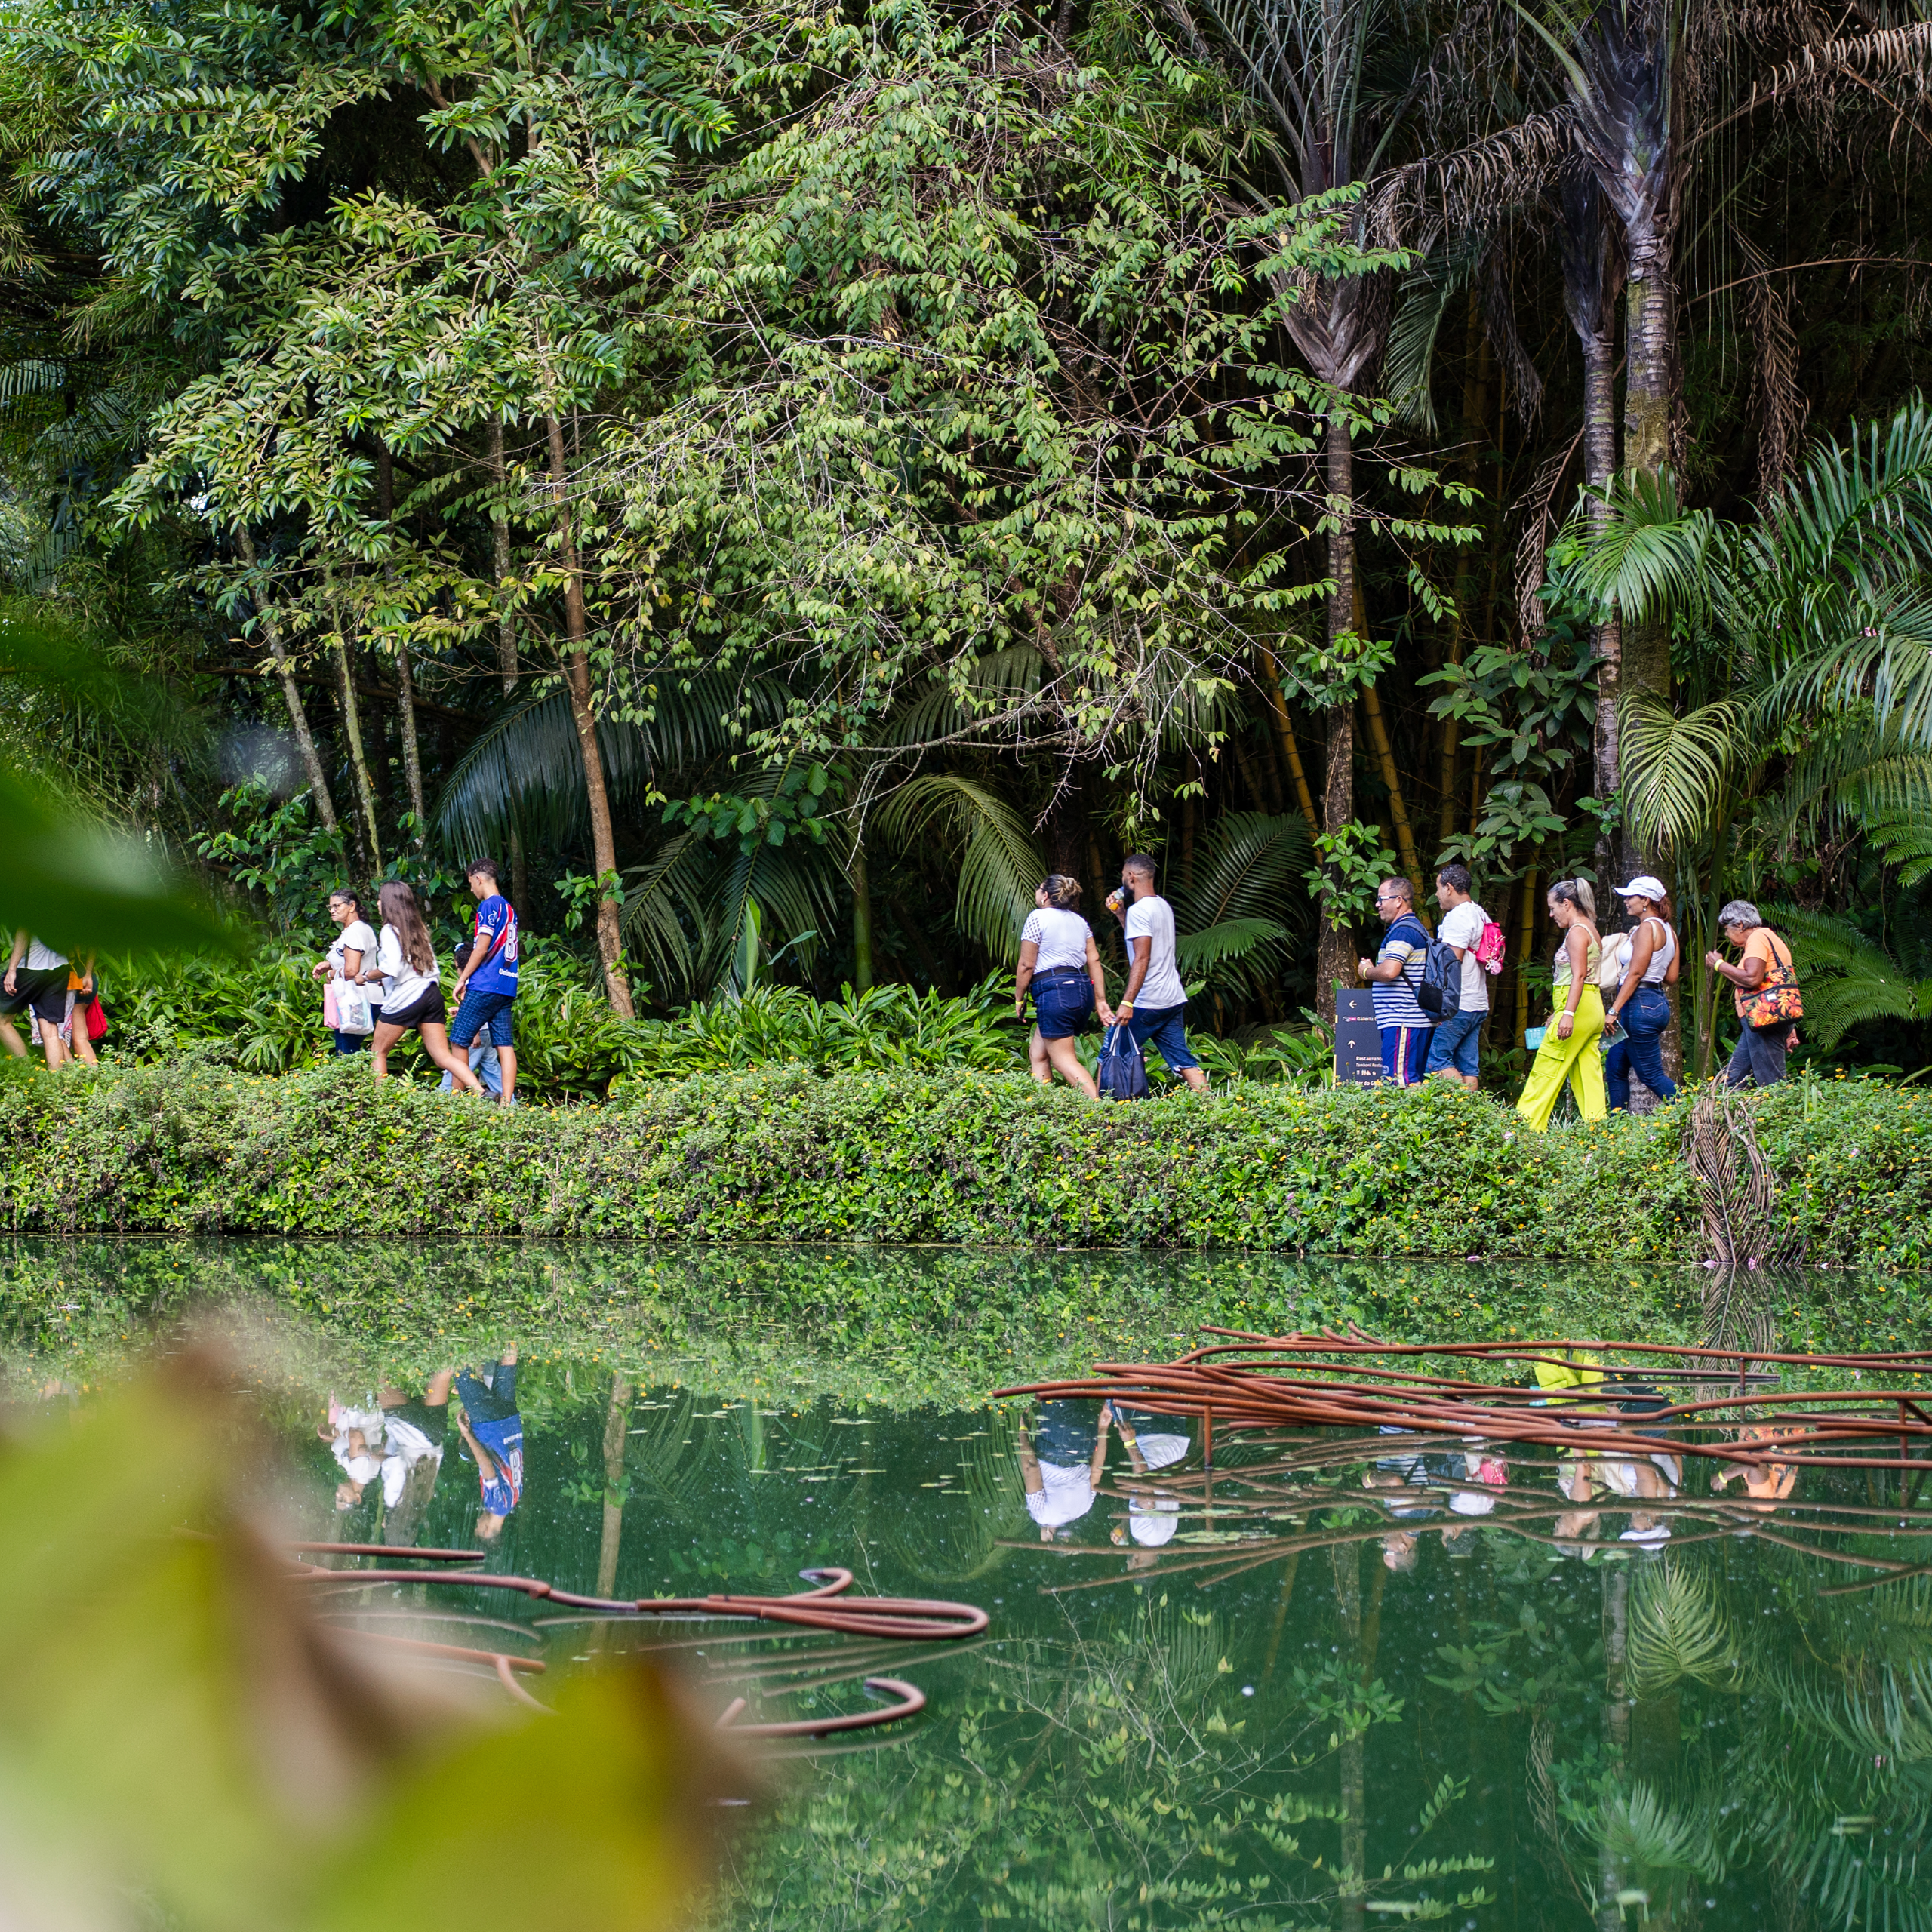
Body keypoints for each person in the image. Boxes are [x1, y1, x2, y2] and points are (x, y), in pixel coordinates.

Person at [361, 881, 483, 1091]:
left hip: (408, 996)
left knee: (378, 1052)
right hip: (431, 993)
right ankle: (480, 1092)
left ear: (389, 904)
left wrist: (367, 975)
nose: (378, 904)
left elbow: (392, 967)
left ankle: (380, 1102)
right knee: (442, 1056)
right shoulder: (419, 930)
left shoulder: (389, 930)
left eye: (380, 900)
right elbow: (416, 966)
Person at [1106, 854, 1206, 1091]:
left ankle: (1104, 1110)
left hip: (1148, 1001)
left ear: (1131, 877)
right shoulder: (1162, 905)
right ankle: (1212, 1105)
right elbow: (1141, 942)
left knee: (1110, 1053)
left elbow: (1142, 958)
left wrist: (1127, 1003)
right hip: (1171, 998)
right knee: (1183, 1060)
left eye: (1124, 876)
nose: (1123, 881)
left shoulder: (1139, 911)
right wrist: (1121, 914)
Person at [1516, 880, 1607, 1131]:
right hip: (1591, 1006)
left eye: (1552, 908)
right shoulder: (1590, 928)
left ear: (1566, 904)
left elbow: (1578, 975)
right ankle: (1598, 1132)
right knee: (1588, 1074)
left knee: (1547, 1065)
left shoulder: (1577, 932)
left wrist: (1567, 1014)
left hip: (1578, 1007)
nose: (1551, 914)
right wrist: (1560, 1011)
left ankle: (1523, 1128)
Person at [1014, 875, 1114, 1097]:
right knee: (1039, 1053)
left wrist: (1019, 998)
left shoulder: (1037, 917)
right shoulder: (1080, 922)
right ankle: (1045, 1106)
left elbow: (1026, 965)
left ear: (1045, 896)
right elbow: (1094, 960)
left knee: (1064, 1060)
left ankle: (1100, 1109)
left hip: (1055, 992)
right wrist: (1100, 1000)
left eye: (1039, 888)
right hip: (1081, 990)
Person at [1603, 875, 1681, 1112]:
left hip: (1639, 1005)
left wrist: (1613, 1010)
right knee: (1615, 1069)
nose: (1626, 901)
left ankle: (1695, 1113)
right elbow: (1671, 977)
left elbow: (1636, 973)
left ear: (1646, 900)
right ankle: (1617, 1127)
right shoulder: (1669, 930)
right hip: (1655, 1002)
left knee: (1650, 1074)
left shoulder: (1647, 928)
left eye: (1630, 897)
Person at [1706, 900, 1801, 1089]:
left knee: (1772, 1081)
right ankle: (1728, 1108)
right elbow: (1781, 985)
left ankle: (1782, 1108)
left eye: (1727, 929)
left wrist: (1719, 965)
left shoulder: (1757, 938)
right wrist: (1789, 1026)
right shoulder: (1769, 937)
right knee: (1734, 1080)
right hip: (1762, 1020)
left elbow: (1752, 978)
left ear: (1740, 925)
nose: (1726, 934)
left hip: (1764, 1019)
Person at [448, 859, 519, 1107]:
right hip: (507, 984)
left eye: (471, 883)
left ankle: (459, 1100)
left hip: (486, 984)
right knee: (505, 1044)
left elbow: (481, 948)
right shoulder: (509, 909)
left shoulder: (488, 906)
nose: (471, 889)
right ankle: (507, 1104)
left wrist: (462, 979)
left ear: (478, 879)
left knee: (458, 1038)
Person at [1357, 877, 1435, 1086]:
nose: (1377, 905)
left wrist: (1366, 971)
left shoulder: (1403, 931)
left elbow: (1391, 971)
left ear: (1399, 900)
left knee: (1399, 1084)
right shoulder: (1415, 928)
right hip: (1410, 1020)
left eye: (1381, 899)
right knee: (1411, 1082)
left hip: (1403, 1019)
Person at [1425, 863, 1490, 1090]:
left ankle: (1456, 1106)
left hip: (1458, 1004)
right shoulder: (1479, 913)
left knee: (1436, 1061)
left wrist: (1440, 1001)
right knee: (1468, 1068)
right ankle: (1472, 1110)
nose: (1437, 894)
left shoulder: (1458, 916)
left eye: (1438, 888)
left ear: (1449, 888)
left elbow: (1452, 962)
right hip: (1478, 1001)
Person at [454, 1346, 523, 1543]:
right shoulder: (495, 1504)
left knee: (507, 1368)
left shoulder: (514, 1498)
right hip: (489, 1425)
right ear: (485, 1531)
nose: (477, 1521)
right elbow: (486, 1464)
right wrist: (466, 1434)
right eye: (478, 1526)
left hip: (510, 1422)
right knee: (460, 1371)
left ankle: (512, 1333)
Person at [1017, 1401, 1114, 1540]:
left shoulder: (1084, 1509)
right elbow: (1030, 1468)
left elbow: (1097, 1470)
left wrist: (1102, 1428)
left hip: (1086, 1441)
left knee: (1076, 1391)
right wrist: (1022, 1430)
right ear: (1050, 1536)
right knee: (1055, 1390)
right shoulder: (1041, 1516)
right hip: (1057, 1438)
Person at [312, 888, 378, 1054]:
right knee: (349, 1050)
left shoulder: (354, 932)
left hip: (357, 1000)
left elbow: (351, 970)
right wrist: (329, 964)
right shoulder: (359, 929)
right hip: (364, 996)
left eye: (337, 906)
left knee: (346, 1053)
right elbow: (354, 959)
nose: (332, 911)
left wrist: (331, 974)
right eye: (330, 907)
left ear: (352, 906)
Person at [2, 934, 77, 1069]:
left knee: (2, 1021)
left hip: (32, 965)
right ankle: (55, 1078)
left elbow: (24, 931)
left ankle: (24, 1070)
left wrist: (12, 969)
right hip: (60, 967)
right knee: (50, 1028)